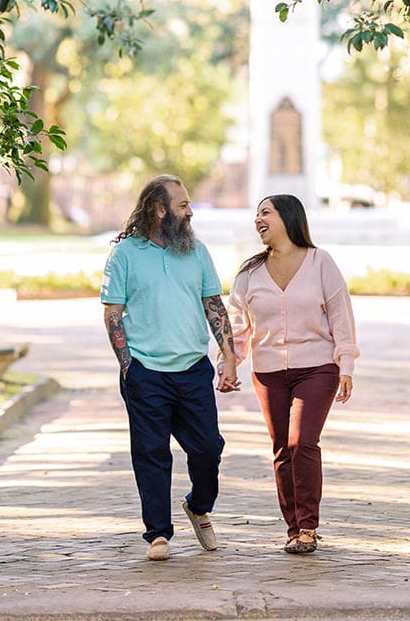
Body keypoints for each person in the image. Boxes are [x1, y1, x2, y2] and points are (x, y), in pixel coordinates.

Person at [101, 174, 240, 561]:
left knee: (209, 448)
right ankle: (158, 534)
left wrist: (228, 355)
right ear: (160, 210)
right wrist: (129, 367)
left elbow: (214, 304)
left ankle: (198, 505)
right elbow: (113, 314)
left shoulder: (197, 252)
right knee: (151, 452)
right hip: (146, 371)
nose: (190, 211)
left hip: (193, 369)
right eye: (183, 205)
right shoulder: (124, 254)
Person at [225, 194, 358, 554]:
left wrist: (346, 365)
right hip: (268, 372)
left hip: (317, 367)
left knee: (303, 442)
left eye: (265, 212)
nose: (258, 220)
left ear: (288, 218)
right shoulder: (249, 272)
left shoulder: (320, 262)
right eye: (256, 215)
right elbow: (238, 326)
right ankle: (294, 527)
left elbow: (341, 317)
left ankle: (309, 526)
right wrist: (229, 364)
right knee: (283, 450)